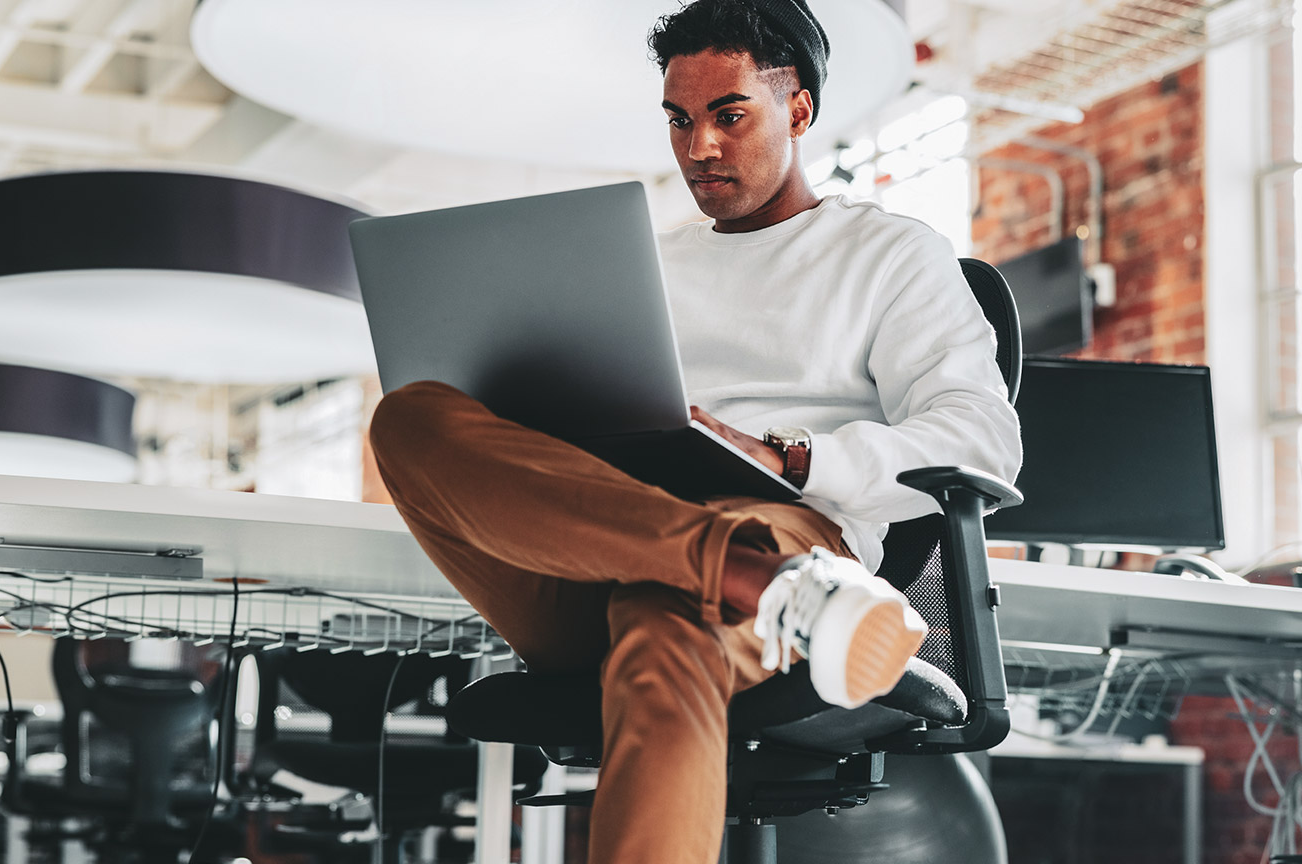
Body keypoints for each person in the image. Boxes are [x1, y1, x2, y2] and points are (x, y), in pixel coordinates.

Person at [367, 0, 1023, 861]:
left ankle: (747, 566)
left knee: (664, 618)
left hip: (784, 518)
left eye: (728, 115)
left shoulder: (891, 255)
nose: (698, 148)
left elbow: (982, 440)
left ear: (799, 108)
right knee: (410, 416)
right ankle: (759, 580)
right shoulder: (638, 263)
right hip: (598, 540)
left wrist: (787, 456)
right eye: (679, 120)